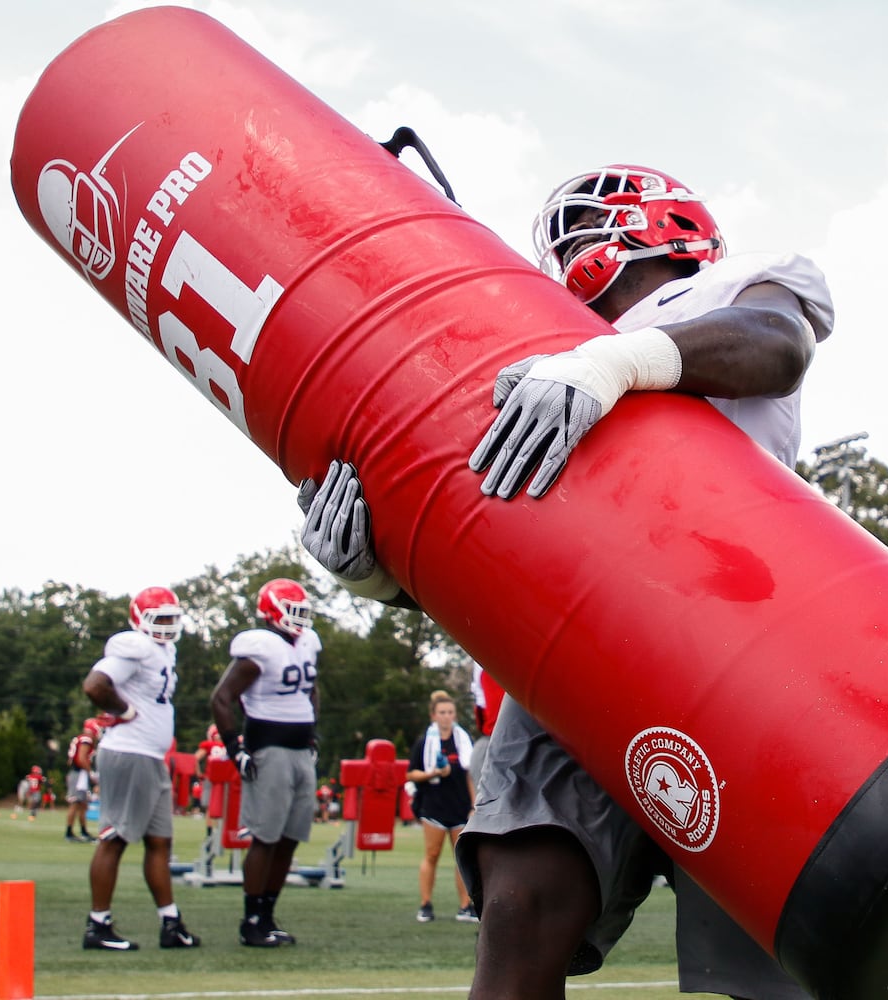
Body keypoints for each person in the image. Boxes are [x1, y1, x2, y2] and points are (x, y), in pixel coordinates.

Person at [299, 163, 832, 998]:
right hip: (579, 648)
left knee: (761, 965)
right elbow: (502, 550)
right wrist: (381, 577)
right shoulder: (540, 356)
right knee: (519, 912)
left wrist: (614, 365)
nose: (572, 250)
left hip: (731, 635)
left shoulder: (729, 292)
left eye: (586, 226)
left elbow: (776, 346)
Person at [80, 585, 200, 951]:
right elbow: (96, 685)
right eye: (158, 619)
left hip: (150, 756)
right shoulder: (134, 646)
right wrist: (124, 710)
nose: (165, 626)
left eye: (170, 619)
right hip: (129, 753)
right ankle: (98, 925)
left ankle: (170, 923)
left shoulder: (164, 649)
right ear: (140, 620)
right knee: (114, 838)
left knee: (160, 842)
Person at [210, 578, 322, 948]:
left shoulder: (305, 644)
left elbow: (312, 689)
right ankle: (251, 920)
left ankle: (269, 915)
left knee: (290, 838)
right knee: (266, 838)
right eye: (294, 612)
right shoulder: (261, 647)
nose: (301, 620)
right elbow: (221, 698)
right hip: (268, 751)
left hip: (300, 751)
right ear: (273, 612)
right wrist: (234, 748)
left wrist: (313, 734)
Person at [407, 689, 478, 924]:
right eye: (442, 712)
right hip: (434, 807)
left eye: (450, 712)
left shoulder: (463, 740)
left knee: (462, 859)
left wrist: (474, 804)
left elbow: (470, 774)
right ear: (433, 715)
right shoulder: (425, 742)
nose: (446, 717)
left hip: (460, 807)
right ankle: (425, 904)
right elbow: (412, 773)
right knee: (432, 854)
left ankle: (465, 905)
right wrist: (433, 773)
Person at [65, 718, 104, 842]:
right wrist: (90, 773)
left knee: (83, 804)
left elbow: (71, 759)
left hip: (77, 773)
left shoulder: (80, 738)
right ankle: (69, 833)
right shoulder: (86, 739)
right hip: (78, 773)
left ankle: (83, 831)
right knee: (75, 802)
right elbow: (82, 758)